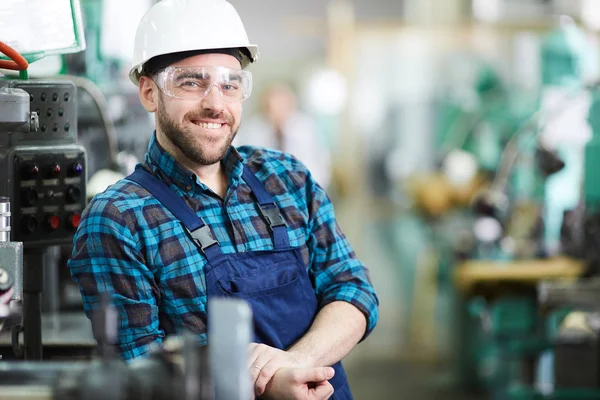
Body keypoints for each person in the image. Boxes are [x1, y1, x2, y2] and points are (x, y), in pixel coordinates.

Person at [68, 0, 378, 399]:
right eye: (191, 82)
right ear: (148, 91)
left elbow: (352, 289)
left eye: (230, 83)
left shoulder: (287, 178)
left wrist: (295, 363)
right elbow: (137, 374)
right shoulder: (118, 219)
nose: (216, 103)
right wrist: (257, 384)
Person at [235, 82, 332, 189]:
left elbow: (322, 163)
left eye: (281, 105)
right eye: (270, 106)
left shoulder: (307, 128)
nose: (275, 111)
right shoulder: (252, 129)